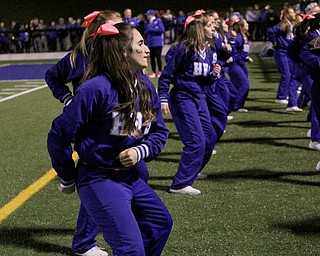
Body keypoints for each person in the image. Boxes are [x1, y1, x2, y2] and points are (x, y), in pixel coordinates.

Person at [47, 21, 172, 255]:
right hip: (99, 178)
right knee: (130, 249)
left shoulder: (145, 85)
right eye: (141, 44)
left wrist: (139, 151)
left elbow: (159, 132)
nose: (147, 50)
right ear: (123, 52)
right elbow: (58, 135)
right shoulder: (95, 89)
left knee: (160, 224)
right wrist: (67, 177)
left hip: (131, 177)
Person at [158, 15, 220, 195]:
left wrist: (213, 75)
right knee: (195, 140)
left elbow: (204, 81)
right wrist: (162, 98)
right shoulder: (183, 49)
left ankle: (193, 170)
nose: (214, 28)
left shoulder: (207, 51)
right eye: (209, 26)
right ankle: (179, 184)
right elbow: (167, 76)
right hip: (182, 98)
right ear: (199, 30)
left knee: (210, 137)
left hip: (199, 97)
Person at [267, 7, 302, 111]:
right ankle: (281, 96)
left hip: (289, 52)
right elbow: (270, 32)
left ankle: (286, 94)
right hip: (281, 51)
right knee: (286, 74)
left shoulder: (292, 25)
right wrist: (275, 42)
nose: (294, 14)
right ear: (287, 14)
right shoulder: (283, 25)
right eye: (291, 12)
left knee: (292, 74)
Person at [226, 18, 253, 112]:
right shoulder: (238, 37)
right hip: (235, 64)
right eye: (246, 23)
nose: (248, 25)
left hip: (240, 63)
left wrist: (246, 58)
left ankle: (237, 105)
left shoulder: (244, 36)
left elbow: (241, 51)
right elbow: (233, 51)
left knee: (237, 85)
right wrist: (236, 58)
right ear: (241, 26)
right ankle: (235, 106)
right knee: (244, 85)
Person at [144, 9, 165, 78]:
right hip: (151, 43)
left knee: (158, 57)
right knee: (152, 58)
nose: (147, 16)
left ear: (151, 15)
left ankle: (160, 71)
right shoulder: (148, 23)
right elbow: (145, 32)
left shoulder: (158, 21)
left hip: (157, 43)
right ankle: (153, 71)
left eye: (148, 15)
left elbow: (162, 29)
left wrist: (151, 30)